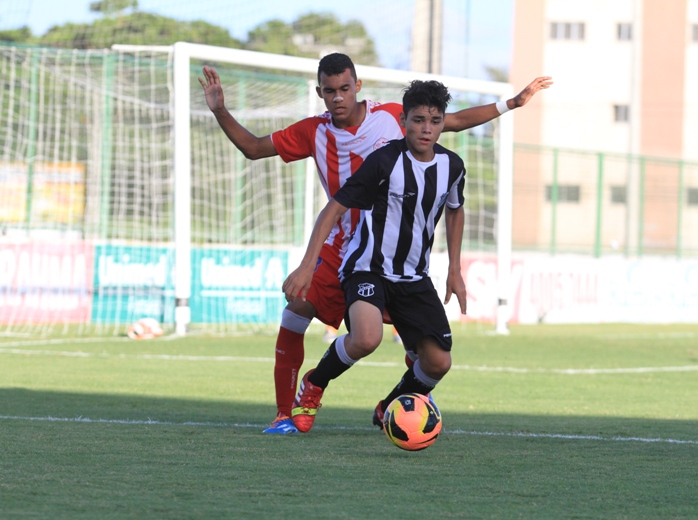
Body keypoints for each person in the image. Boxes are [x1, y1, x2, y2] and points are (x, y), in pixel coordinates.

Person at [199, 53, 552, 434]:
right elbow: (254, 148)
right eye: (330, 91)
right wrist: (220, 111)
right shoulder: (315, 132)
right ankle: (287, 412)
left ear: (358, 86)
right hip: (345, 247)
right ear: (320, 92)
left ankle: (405, 398)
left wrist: (511, 104)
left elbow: (455, 121)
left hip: (402, 256)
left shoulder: (394, 118)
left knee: (428, 352)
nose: (338, 97)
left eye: (344, 88)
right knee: (299, 311)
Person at [283, 79, 466, 433]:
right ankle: (314, 384)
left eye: (435, 121)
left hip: (413, 276)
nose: (426, 129)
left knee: (438, 363)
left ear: (443, 123)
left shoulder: (452, 167)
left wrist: (454, 269)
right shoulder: (384, 161)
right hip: (367, 267)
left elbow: (455, 210)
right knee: (367, 338)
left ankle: (390, 406)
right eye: (418, 120)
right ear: (403, 121)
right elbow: (334, 207)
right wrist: (307, 266)